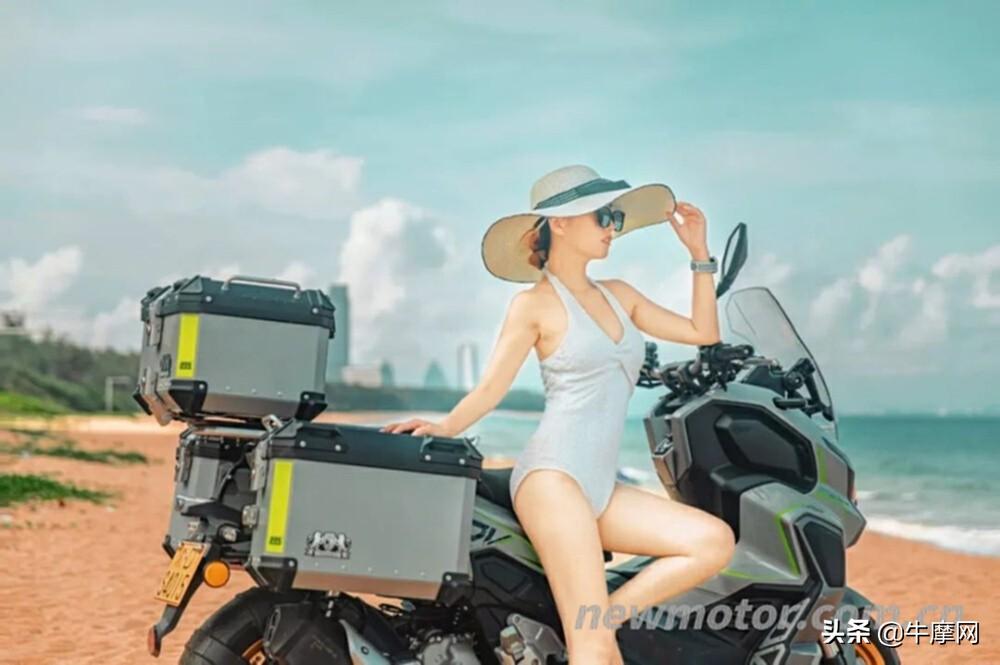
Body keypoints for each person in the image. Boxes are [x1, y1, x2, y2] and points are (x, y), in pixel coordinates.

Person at [382, 164, 736, 665]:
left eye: (615, 217)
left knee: (711, 541)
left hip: (602, 487)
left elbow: (704, 333)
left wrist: (699, 255)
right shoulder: (533, 305)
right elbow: (491, 388)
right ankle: (593, 625)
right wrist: (443, 427)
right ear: (562, 223)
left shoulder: (621, 295)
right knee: (594, 647)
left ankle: (603, 616)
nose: (613, 227)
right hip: (551, 478)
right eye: (602, 216)